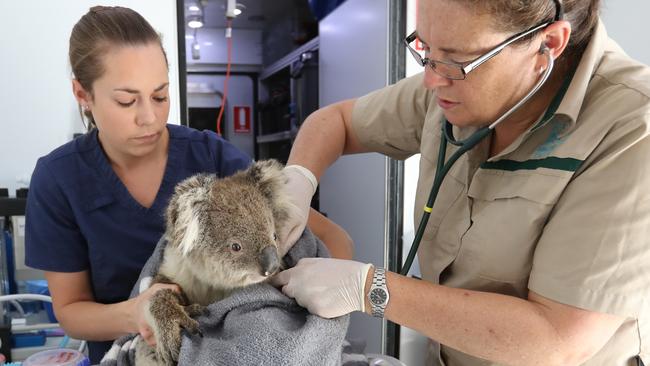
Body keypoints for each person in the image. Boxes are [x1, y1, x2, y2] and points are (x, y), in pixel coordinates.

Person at [272, 0, 650, 365]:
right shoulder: (448, 85)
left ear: (548, 44)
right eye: (426, 47)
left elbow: (558, 339)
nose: (432, 80)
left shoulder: (631, 127)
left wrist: (369, 288)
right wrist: (297, 182)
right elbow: (334, 122)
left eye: (455, 59)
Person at [24, 6, 352, 364]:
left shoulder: (210, 156)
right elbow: (71, 312)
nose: (149, 117)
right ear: (83, 95)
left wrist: (320, 321)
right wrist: (137, 313)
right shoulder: (59, 179)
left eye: (161, 96)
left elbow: (334, 240)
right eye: (126, 100)